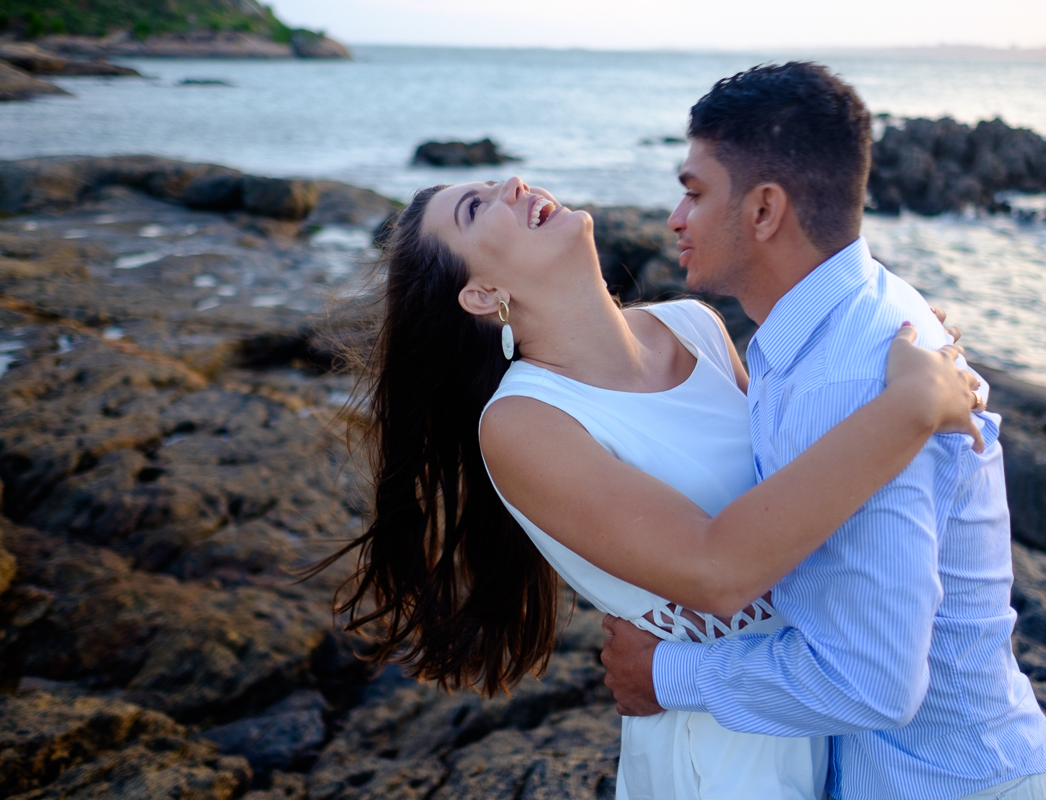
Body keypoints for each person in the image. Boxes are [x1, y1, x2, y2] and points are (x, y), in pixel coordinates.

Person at [322, 159, 984, 797]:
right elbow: (718, 570)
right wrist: (909, 409)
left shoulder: (693, 325)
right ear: (482, 295)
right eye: (476, 206)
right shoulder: (524, 422)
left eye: (499, 180)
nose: (514, 185)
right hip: (720, 762)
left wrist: (883, 363)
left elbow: (805, 473)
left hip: (817, 711)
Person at [598, 62, 1046, 800]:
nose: (674, 220)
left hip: (945, 784)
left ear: (763, 211)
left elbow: (873, 682)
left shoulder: (848, 375)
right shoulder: (830, 334)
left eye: (693, 192)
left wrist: (665, 674)